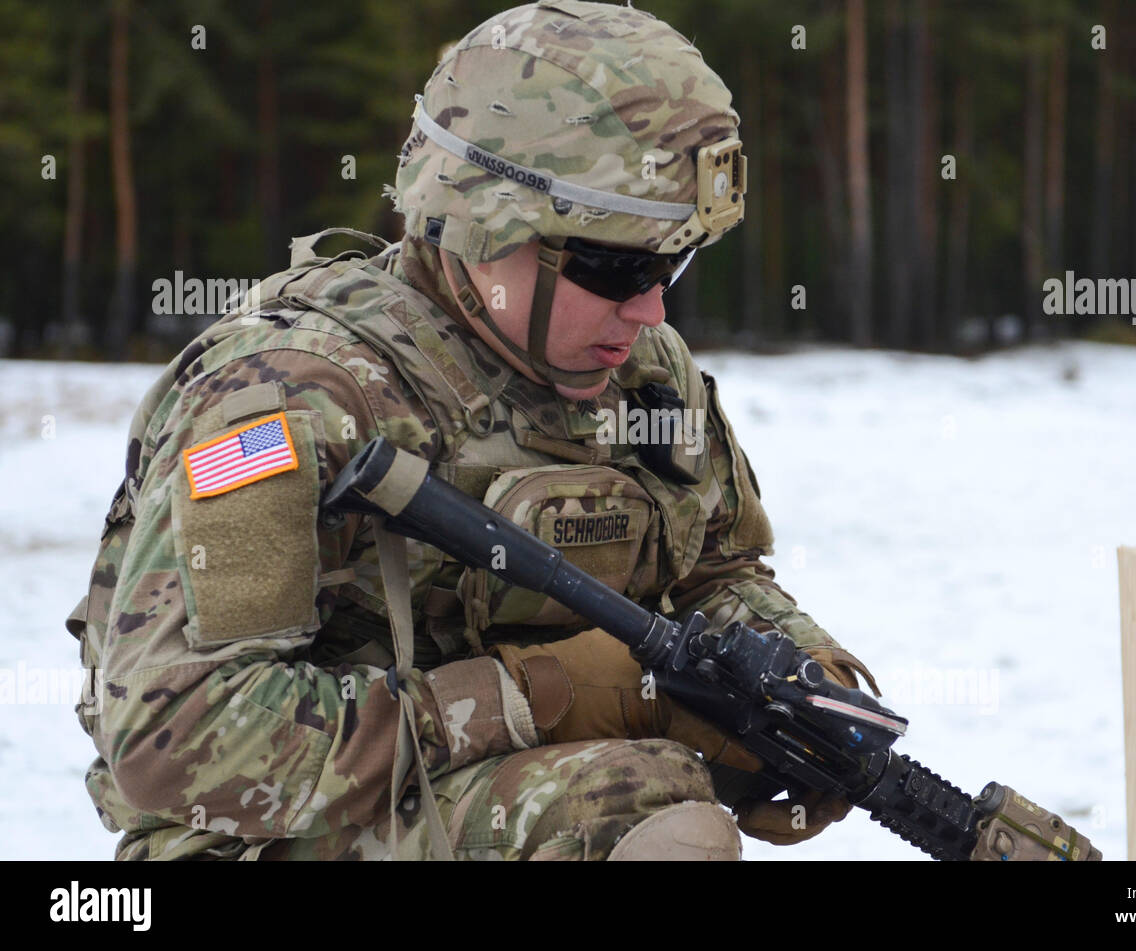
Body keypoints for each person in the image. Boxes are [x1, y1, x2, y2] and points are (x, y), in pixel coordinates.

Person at [68, 0, 879, 861]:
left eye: (673, 262)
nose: (650, 308)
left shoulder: (644, 375)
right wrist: (538, 694)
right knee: (644, 810)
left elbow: (713, 569)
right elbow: (175, 740)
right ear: (485, 220)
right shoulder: (292, 396)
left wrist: (799, 676)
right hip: (263, 835)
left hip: (517, 792)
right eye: (616, 267)